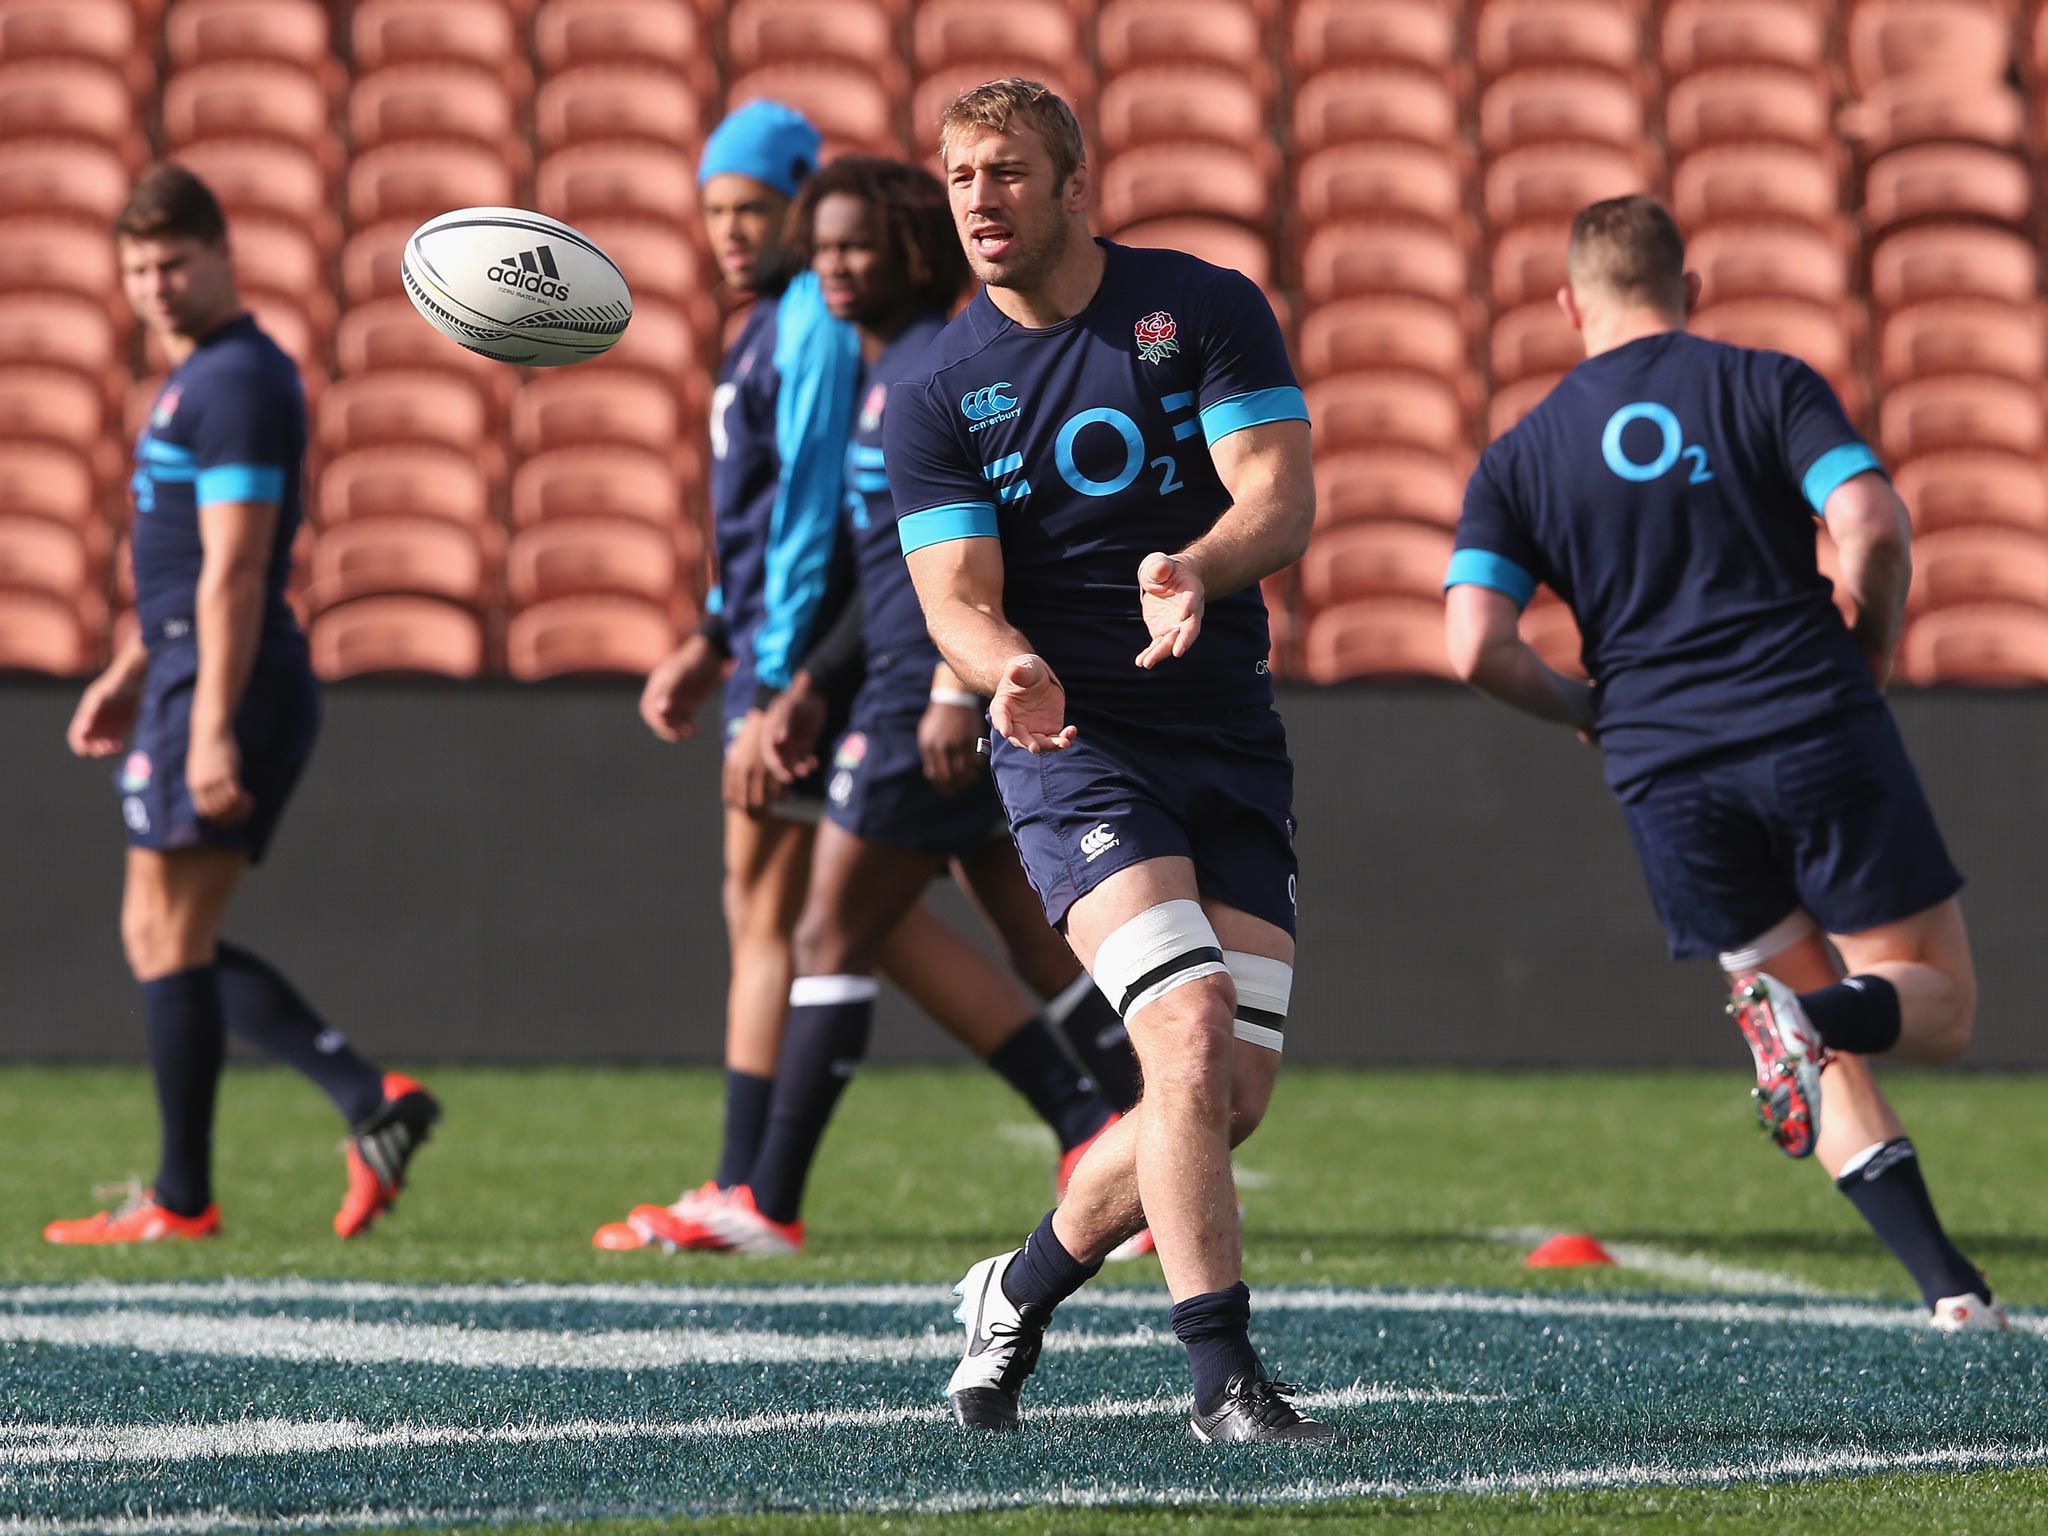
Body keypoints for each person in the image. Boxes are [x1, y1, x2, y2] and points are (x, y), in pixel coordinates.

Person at [1444, 194, 2003, 1332]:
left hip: (1662, 767)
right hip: (1809, 719)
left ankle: (1949, 1290)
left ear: (1566, 306)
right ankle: (1821, 1041)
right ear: (1686, 289)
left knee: (1801, 1011)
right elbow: (1875, 526)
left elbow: (1472, 646)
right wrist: (1873, 644)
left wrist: (1583, 708)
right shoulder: (1763, 382)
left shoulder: (1520, 452)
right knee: (1929, 1012)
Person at [886, 80, 1337, 1441]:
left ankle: (1015, 1290)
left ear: (1073, 184)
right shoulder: (937, 391)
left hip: (1229, 739)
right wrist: (1000, 664)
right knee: (1187, 1036)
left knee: (1221, 1100)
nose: (978, 198)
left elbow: (1280, 491)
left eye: (1006, 171)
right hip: (1073, 751)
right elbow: (955, 593)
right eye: (961, 174)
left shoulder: (1199, 307)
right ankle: (1222, 1378)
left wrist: (1195, 565)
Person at [600, 106, 1118, 1254]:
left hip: (910, 690)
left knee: (828, 930)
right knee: (1017, 935)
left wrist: (937, 688)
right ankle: (1122, 1133)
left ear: (910, 251)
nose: (830, 265)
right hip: (884, 677)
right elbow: (876, 555)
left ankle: (764, 1198)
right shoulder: (887, 368)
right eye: (820, 245)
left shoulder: (921, 370)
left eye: (852, 245)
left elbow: (962, 555)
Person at [47, 165, 439, 1245]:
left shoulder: (234, 382)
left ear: (223, 255)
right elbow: (187, 575)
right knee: (159, 932)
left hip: (227, 678)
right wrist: (134, 669)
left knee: (172, 932)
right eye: (136, 268)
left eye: (174, 262)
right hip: (185, 668)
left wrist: (209, 717)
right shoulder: (201, 379)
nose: (155, 285)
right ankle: (360, 1106)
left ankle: (198, 1190)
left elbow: (235, 569)